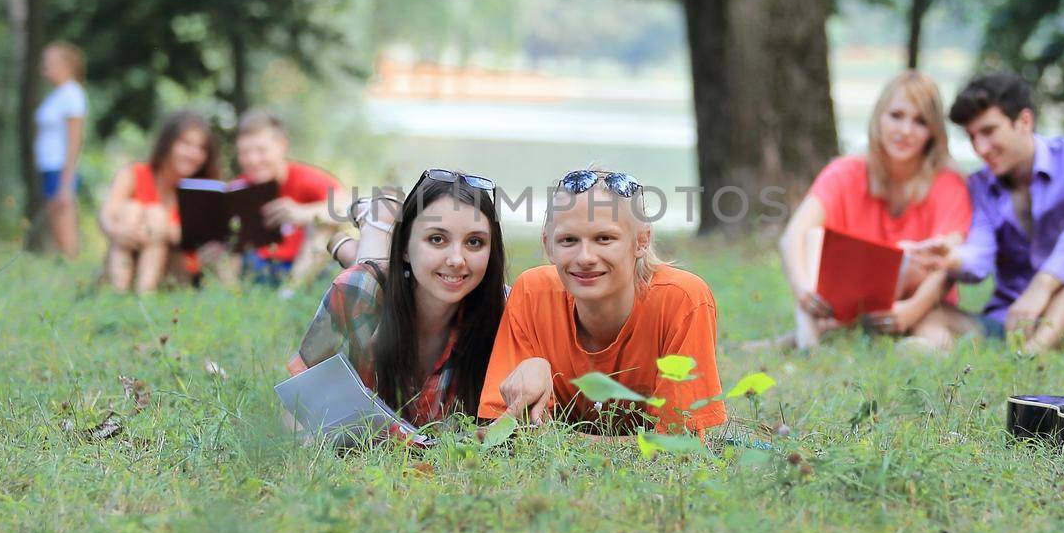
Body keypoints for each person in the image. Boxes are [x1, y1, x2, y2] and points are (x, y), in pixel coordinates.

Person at [478, 169, 724, 435]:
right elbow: (503, 429)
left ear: (641, 241)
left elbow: (678, 445)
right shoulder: (532, 293)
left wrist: (558, 438)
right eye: (569, 240)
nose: (585, 257)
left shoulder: (682, 300)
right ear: (549, 246)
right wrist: (536, 370)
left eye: (604, 239)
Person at [919, 72, 1064, 354]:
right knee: (934, 316)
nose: (980, 148)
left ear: (1024, 121)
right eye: (972, 137)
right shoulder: (980, 185)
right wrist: (953, 258)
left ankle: (1031, 356)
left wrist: (1044, 284)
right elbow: (979, 255)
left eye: (989, 132)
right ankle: (936, 359)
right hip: (1013, 323)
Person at [288, 169, 506, 426]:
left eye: (475, 242)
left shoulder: (506, 311)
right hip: (382, 281)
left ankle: (371, 228)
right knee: (368, 281)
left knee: (376, 272)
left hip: (399, 272)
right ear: (403, 247)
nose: (457, 259)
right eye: (437, 239)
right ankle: (376, 225)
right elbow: (298, 405)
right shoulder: (359, 290)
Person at [777, 71, 973, 349]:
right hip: (846, 298)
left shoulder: (949, 183)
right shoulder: (845, 172)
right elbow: (793, 235)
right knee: (812, 238)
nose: (905, 130)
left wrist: (912, 310)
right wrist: (802, 290)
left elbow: (948, 262)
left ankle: (814, 337)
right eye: (896, 115)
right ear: (879, 117)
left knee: (920, 275)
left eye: (919, 121)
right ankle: (811, 336)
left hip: (917, 302)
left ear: (933, 132)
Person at [97, 111, 221, 294]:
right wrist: (120, 232)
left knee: (157, 215)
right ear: (168, 143)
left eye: (201, 148)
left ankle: (144, 294)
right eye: (185, 144)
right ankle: (120, 290)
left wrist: (164, 229)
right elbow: (107, 214)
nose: (193, 154)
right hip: (128, 252)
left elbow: (202, 240)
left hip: (174, 271)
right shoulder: (134, 173)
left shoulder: (204, 191)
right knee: (131, 210)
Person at [233, 109, 349, 293]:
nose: (252, 160)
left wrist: (301, 213)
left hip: (302, 266)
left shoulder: (304, 178)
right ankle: (233, 296)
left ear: (281, 146)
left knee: (326, 226)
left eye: (261, 151)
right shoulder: (238, 187)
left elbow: (347, 208)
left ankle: (289, 293)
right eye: (244, 153)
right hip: (256, 267)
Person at [34, 42, 88, 258]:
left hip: (60, 167)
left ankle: (71, 267)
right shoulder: (58, 94)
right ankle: (63, 265)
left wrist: (66, 183)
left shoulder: (72, 94)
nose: (44, 66)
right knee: (55, 222)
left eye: (49, 62)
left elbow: (74, 140)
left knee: (64, 222)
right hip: (49, 166)